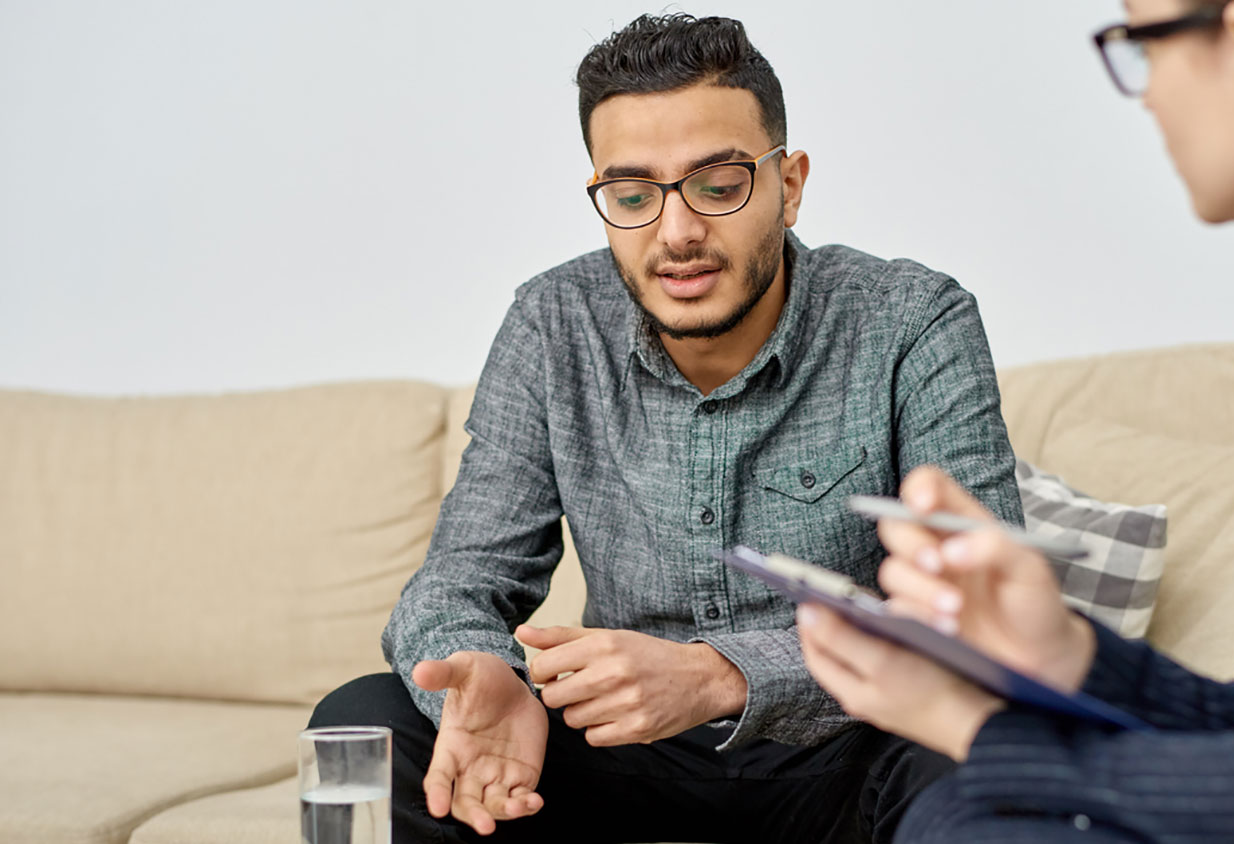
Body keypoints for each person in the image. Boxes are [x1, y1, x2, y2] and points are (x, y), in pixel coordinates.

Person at [308, 12, 1032, 844]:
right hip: (622, 755)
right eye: (632, 195)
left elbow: (984, 622)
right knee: (362, 722)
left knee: (991, 751)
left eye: (719, 185)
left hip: (848, 751)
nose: (677, 232)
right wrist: (486, 673)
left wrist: (724, 675)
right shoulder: (553, 324)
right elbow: (455, 584)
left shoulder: (912, 320)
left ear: (789, 185)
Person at [798, 0, 1234, 841]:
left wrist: (970, 726)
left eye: (1140, 45)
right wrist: (1068, 654)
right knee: (961, 814)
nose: (1144, 97)